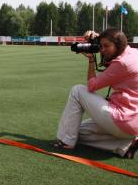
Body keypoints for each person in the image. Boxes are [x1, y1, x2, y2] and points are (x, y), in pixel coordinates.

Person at [54, 28, 138, 159]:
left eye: (106, 46)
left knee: (77, 90)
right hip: (133, 124)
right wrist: (99, 38)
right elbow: (113, 54)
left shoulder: (121, 63)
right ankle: (125, 146)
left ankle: (66, 143)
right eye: (101, 46)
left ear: (118, 44)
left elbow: (92, 86)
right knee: (77, 132)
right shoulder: (133, 52)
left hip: (123, 118)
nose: (102, 50)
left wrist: (91, 60)